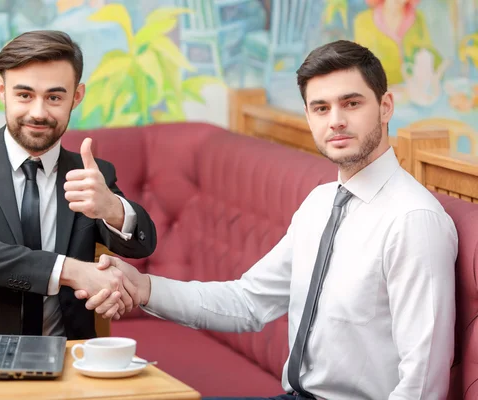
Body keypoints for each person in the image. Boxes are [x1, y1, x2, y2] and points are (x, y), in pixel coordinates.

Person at [80, 40, 458, 399]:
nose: (336, 120)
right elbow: (248, 303)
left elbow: (423, 383)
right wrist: (144, 286)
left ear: (386, 106)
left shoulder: (413, 220)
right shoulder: (321, 203)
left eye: (352, 103)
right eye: (321, 108)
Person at [0, 30, 156, 342]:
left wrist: (112, 207)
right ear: (2, 89)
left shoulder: (90, 173)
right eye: (25, 95)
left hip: (67, 358)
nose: (39, 112)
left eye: (54, 97)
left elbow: (141, 244)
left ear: (77, 96)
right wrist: (70, 270)